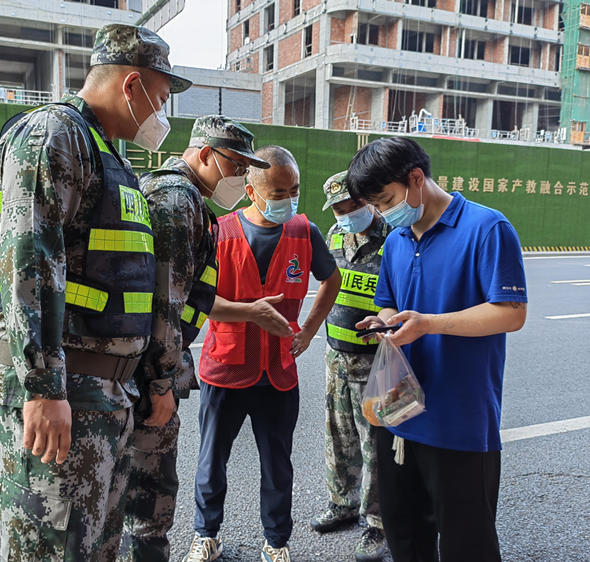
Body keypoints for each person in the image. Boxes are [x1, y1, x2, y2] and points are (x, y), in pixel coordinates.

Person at [0, 23, 191, 561]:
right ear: (132, 86)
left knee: (94, 549)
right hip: (65, 389)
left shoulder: (109, 156)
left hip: (103, 396)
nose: (161, 114)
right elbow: (30, 259)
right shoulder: (56, 133)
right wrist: (43, 387)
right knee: (53, 550)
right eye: (161, 98)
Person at [347, 137, 528, 562]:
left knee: (468, 544)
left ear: (416, 179)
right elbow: (389, 302)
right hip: (398, 414)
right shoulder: (396, 241)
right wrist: (385, 324)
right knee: (406, 537)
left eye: (387, 199)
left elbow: (510, 313)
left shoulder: (487, 228)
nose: (383, 212)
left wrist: (429, 324)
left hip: (459, 423)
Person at [119, 116, 270, 561]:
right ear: (204, 154)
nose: (241, 177)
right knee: (150, 496)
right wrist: (163, 382)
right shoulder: (177, 199)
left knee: (134, 492)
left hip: (143, 363)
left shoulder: (178, 194)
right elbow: (166, 300)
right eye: (236, 165)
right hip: (149, 369)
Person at [182, 145, 341, 562]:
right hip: (225, 368)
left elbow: (331, 280)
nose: (289, 199)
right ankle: (206, 535)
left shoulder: (304, 232)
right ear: (252, 191)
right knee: (212, 461)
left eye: (295, 190)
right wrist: (249, 313)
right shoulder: (219, 232)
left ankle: (276, 541)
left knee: (277, 465)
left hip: (278, 372)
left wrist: (308, 330)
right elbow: (199, 298)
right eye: (279, 192)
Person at [309, 171, 389, 561]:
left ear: (368, 201)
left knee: (374, 444)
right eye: (339, 208)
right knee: (337, 436)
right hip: (336, 356)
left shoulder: (393, 237)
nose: (345, 214)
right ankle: (342, 503)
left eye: (352, 206)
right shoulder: (335, 235)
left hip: (376, 361)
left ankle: (377, 523)